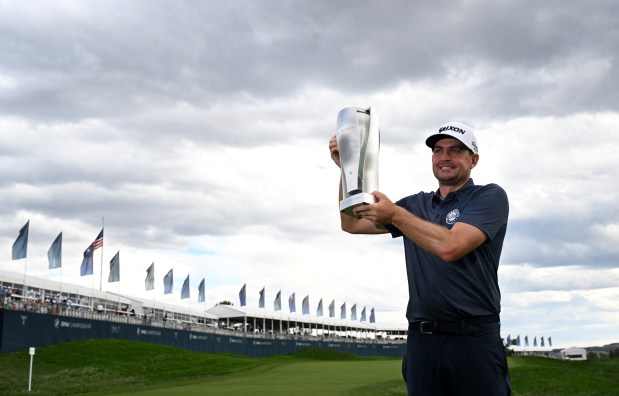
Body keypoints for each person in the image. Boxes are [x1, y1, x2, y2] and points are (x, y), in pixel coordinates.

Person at [329, 121, 511, 396]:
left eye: (455, 150)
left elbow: (452, 246)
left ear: (473, 159)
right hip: (422, 341)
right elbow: (352, 224)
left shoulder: (489, 196)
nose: (444, 157)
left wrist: (395, 215)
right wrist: (347, 169)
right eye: (438, 151)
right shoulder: (416, 205)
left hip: (474, 338)